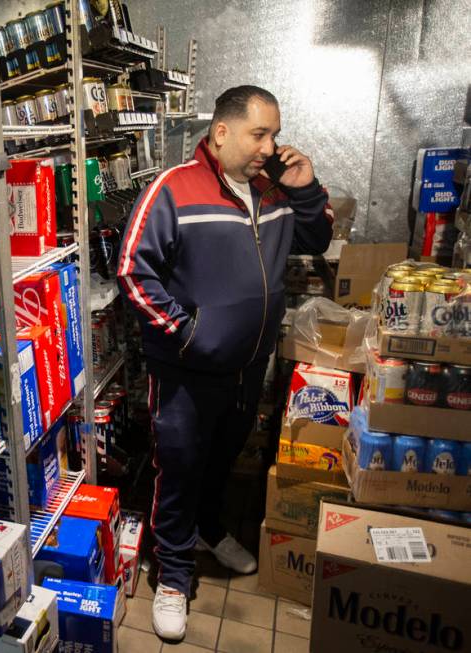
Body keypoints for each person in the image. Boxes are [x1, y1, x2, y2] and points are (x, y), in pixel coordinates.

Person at [116, 85, 333, 641]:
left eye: (274, 135)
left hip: (246, 366)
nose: (270, 146)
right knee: (180, 470)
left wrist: (305, 188)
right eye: (260, 134)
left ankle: (209, 530)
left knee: (220, 460)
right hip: (187, 371)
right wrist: (188, 335)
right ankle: (172, 575)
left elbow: (317, 236)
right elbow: (134, 272)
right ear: (221, 132)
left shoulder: (273, 192)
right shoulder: (174, 189)